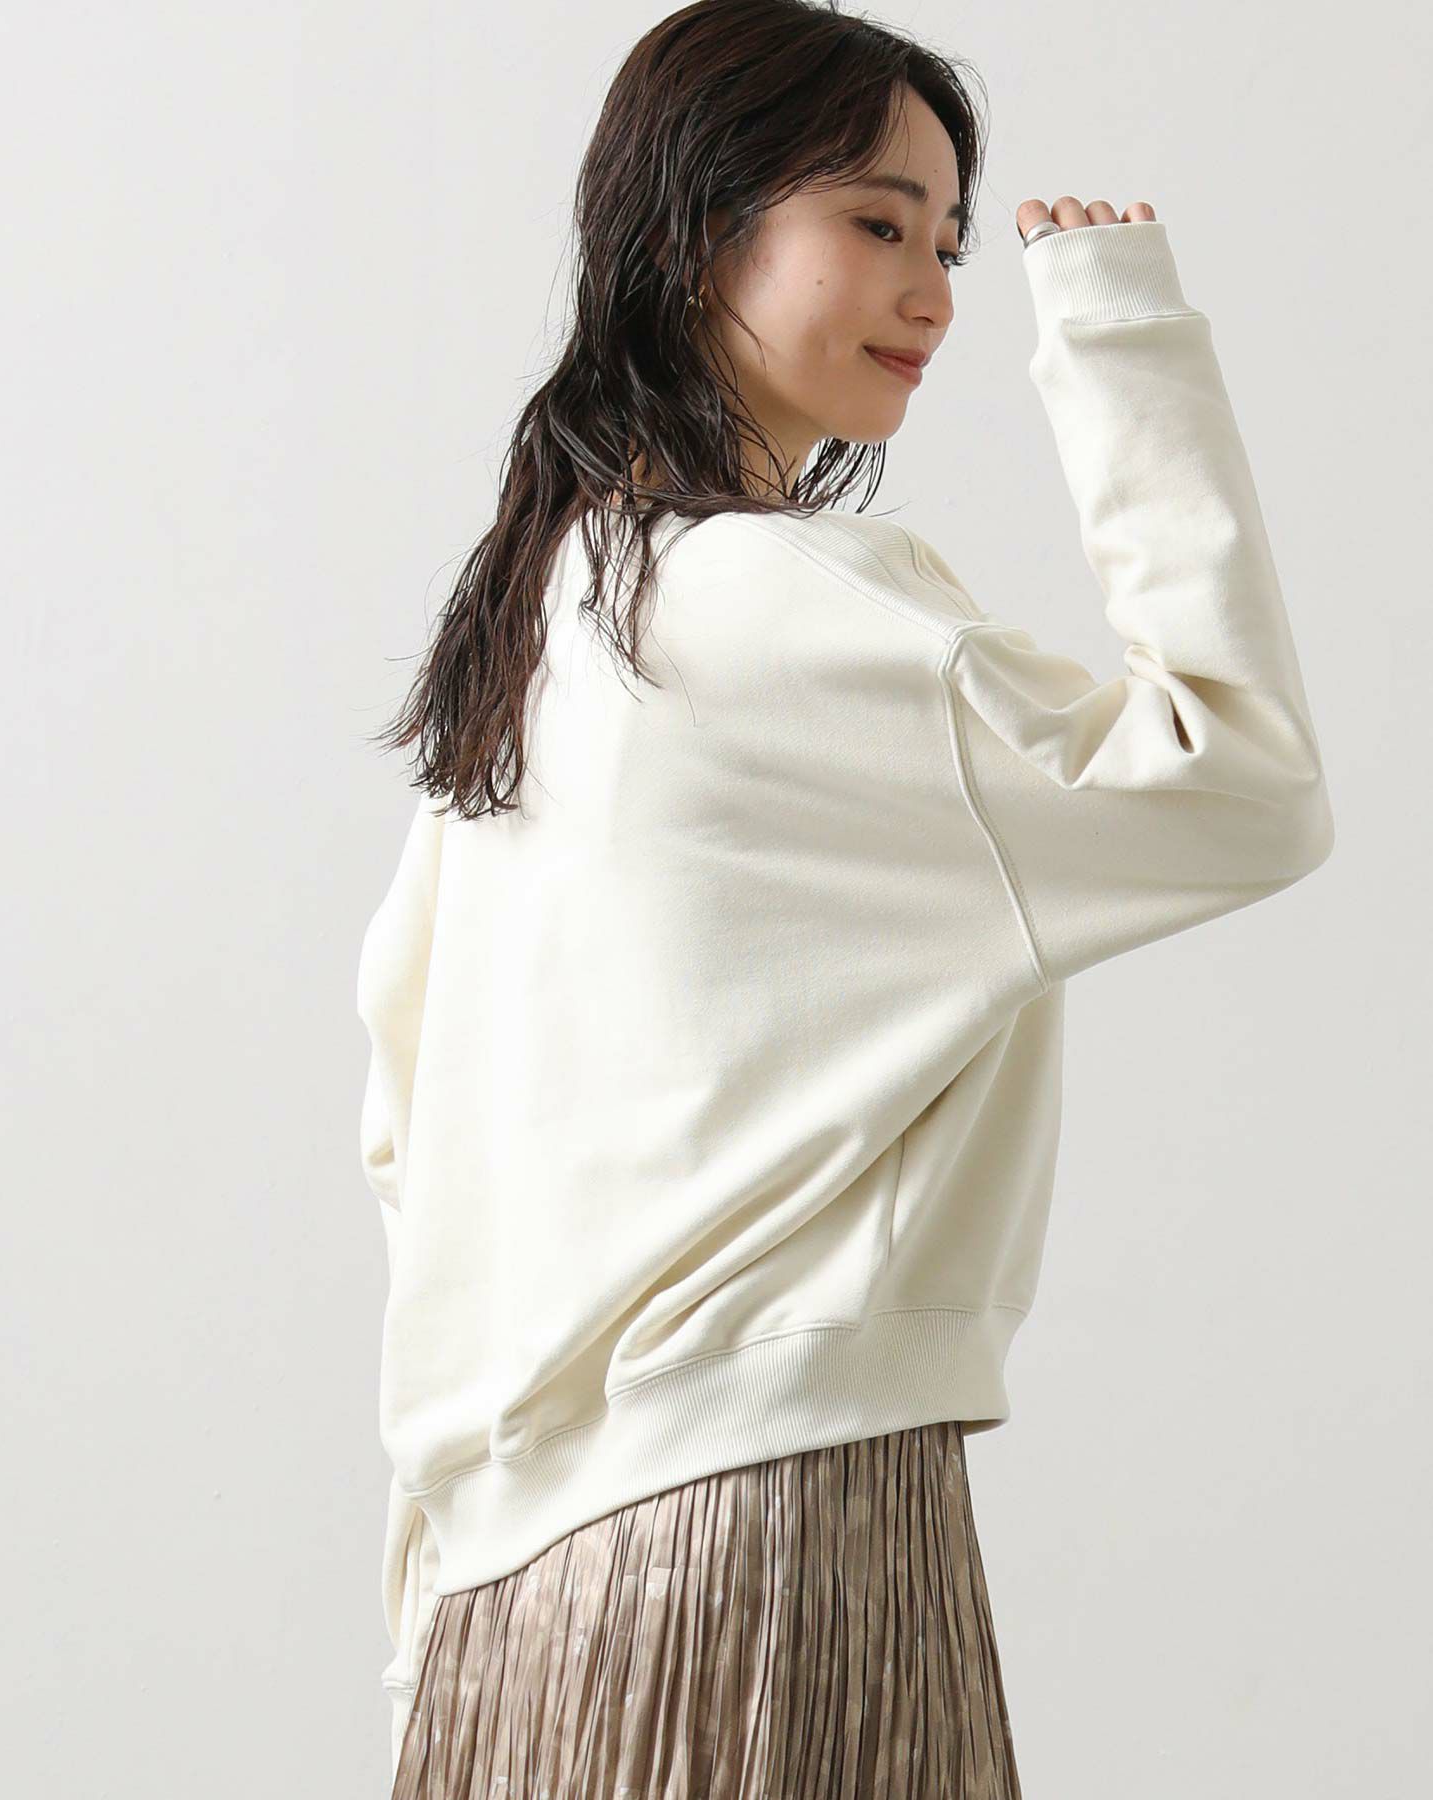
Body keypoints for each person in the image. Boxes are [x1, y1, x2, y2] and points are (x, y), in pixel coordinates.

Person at [354, 4, 1335, 1796]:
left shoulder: (546, 607)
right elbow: (1244, 787)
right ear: (693, 228)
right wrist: (1120, 343)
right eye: (877, 223)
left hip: (521, 1570)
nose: (933, 293)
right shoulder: (784, 602)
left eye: (949, 244)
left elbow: (407, 1117)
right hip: (766, 1521)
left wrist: (443, 1549)